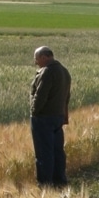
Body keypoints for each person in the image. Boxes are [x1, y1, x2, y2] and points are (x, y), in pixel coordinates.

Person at [30, 46, 72, 187]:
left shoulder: (47, 72)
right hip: (58, 117)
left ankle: (45, 183)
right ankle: (60, 180)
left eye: (36, 59)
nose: (36, 62)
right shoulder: (64, 71)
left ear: (44, 57)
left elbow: (40, 96)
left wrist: (34, 112)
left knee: (43, 152)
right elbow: (67, 96)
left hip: (44, 118)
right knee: (57, 151)